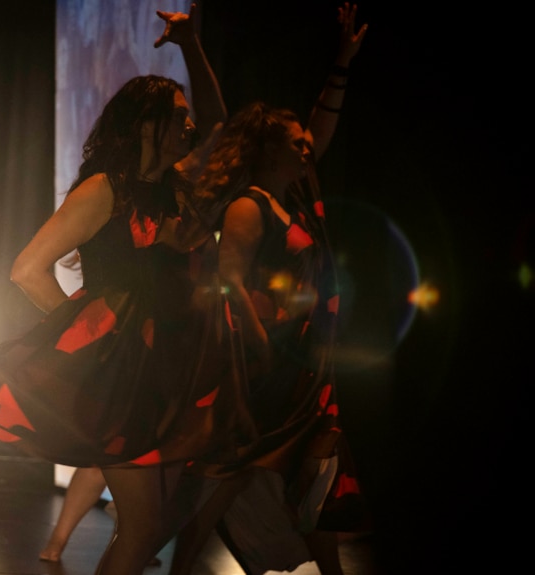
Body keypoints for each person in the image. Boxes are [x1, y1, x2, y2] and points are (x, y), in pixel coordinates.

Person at [0, 5, 238, 574]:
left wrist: (192, 47)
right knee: (144, 525)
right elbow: (27, 269)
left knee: (155, 522)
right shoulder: (106, 189)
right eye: (177, 115)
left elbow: (221, 125)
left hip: (169, 368)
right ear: (146, 122)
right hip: (124, 378)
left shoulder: (175, 188)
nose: (189, 125)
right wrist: (92, 343)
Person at [167, 4, 369, 574]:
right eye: (296, 141)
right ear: (269, 148)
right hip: (269, 361)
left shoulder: (296, 196)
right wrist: (258, 346)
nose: (307, 146)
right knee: (240, 473)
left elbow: (322, 122)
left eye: (308, 142)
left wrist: (343, 61)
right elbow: (227, 283)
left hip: (304, 359)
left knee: (313, 472)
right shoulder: (249, 207)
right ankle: (183, 564)